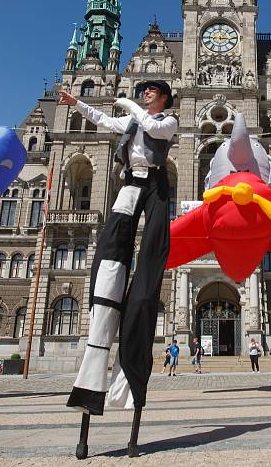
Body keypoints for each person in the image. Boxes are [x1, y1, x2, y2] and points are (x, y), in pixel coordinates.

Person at [64, 81, 177, 414]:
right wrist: (77, 104)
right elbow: (102, 119)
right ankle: (100, 331)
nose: (145, 94)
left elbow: (153, 127)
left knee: (152, 255)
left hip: (156, 186)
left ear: (165, 98)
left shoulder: (167, 121)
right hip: (131, 183)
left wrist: (129, 105)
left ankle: (131, 373)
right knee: (111, 251)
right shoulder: (131, 120)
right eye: (143, 91)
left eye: (152, 92)